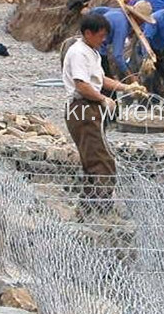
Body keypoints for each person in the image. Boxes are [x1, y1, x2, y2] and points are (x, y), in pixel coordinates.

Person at [63, 12, 146, 218]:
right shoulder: (78, 53)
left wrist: (126, 88)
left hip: (90, 109)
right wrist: (102, 99)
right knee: (102, 162)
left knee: (92, 160)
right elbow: (81, 84)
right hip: (82, 109)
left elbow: (100, 79)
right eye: (100, 36)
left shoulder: (92, 51)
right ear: (88, 33)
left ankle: (87, 208)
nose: (103, 40)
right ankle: (101, 211)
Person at [89, 1, 155, 80]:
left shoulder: (119, 12)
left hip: (95, 44)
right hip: (96, 49)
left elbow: (97, 10)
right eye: (142, 21)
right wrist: (130, 76)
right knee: (105, 83)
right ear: (137, 17)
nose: (142, 23)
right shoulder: (122, 25)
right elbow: (117, 55)